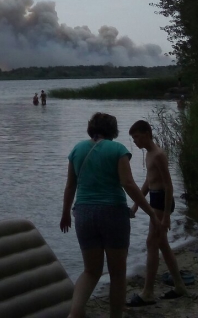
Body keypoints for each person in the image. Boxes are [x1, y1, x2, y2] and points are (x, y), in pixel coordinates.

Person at [60, 112, 162, 318]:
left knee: (90, 271)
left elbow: (70, 186)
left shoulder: (77, 149)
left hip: (83, 213)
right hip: (113, 212)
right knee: (117, 274)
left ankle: (74, 313)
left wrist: (65, 214)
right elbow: (128, 184)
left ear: (92, 128)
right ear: (112, 130)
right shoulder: (118, 149)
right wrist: (150, 212)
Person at [127, 119, 188, 305]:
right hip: (155, 199)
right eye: (133, 138)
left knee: (152, 242)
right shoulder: (148, 154)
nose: (135, 141)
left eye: (136, 137)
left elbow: (168, 185)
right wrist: (137, 204)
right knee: (161, 243)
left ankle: (148, 292)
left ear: (146, 134)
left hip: (163, 201)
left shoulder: (158, 154)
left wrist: (167, 216)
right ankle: (179, 285)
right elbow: (148, 182)